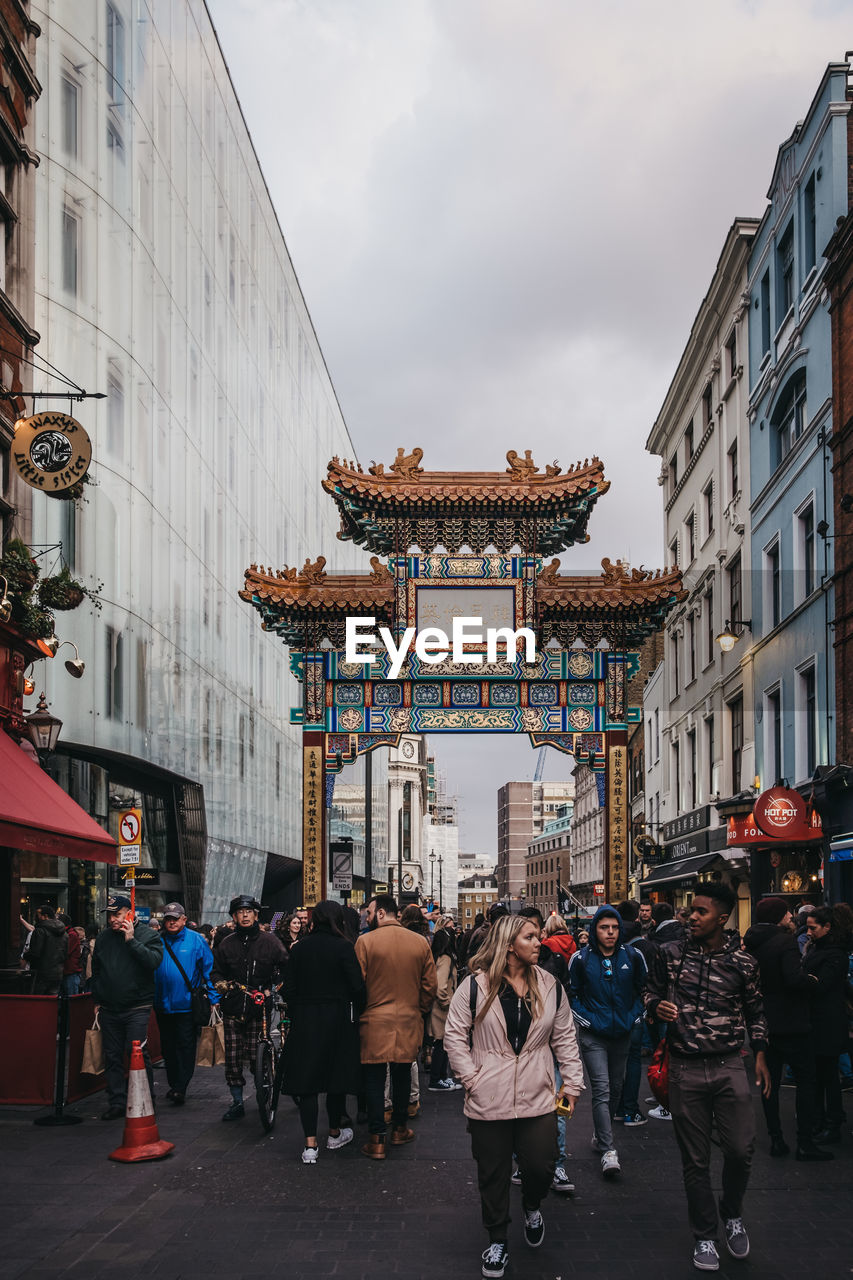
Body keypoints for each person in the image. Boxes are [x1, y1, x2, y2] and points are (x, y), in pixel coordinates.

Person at [445, 914, 584, 1279]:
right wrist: (472, 1079)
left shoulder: (550, 984)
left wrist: (572, 1082)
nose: (539, 943)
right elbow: (454, 1037)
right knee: (493, 1173)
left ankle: (533, 1204)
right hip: (488, 1098)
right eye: (530, 938)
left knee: (541, 1165)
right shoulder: (474, 987)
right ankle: (497, 1239)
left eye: (538, 937)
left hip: (538, 1095)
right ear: (509, 945)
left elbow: (565, 1036)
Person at [645, 882, 771, 1273]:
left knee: (740, 1150)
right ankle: (704, 1235)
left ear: (722, 917)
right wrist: (656, 1008)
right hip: (684, 1066)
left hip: (731, 1063)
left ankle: (731, 1213)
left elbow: (756, 1011)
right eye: (689, 910)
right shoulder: (669, 954)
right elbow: (648, 995)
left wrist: (762, 1055)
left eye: (700, 911)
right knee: (695, 1160)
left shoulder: (744, 962)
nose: (690, 917)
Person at [743, 897, 830, 1161]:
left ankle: (777, 1139)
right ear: (779, 917)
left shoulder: (751, 943)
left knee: (770, 1083)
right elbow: (793, 978)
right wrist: (811, 981)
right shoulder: (785, 942)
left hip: (763, 1022)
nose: (792, 918)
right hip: (792, 1022)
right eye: (788, 915)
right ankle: (805, 1142)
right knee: (806, 1080)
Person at [280, 899, 366, 1163]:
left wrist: (296, 1013)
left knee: (307, 1083)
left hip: (306, 1019)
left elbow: (289, 989)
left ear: (314, 920)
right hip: (338, 1019)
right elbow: (358, 988)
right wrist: (356, 1012)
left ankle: (309, 1146)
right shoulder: (344, 947)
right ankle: (334, 1132)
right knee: (334, 1079)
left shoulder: (300, 948)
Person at [354, 894, 437, 1159]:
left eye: (369, 912)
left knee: (375, 1079)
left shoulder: (365, 942)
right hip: (409, 1018)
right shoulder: (420, 943)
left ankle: (377, 1138)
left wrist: (365, 1009)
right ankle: (400, 1129)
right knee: (402, 1075)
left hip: (375, 1019)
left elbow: (358, 984)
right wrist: (419, 1010)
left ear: (380, 913)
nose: (367, 918)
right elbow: (430, 986)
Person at [568, 904, 647, 1177]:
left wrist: (636, 1016)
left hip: (623, 1033)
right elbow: (573, 995)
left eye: (614, 928)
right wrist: (587, 1020)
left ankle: (600, 1135)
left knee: (615, 1087)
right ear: (595, 930)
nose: (610, 933)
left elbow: (643, 990)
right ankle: (609, 1150)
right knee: (601, 1089)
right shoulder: (580, 959)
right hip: (594, 1036)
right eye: (604, 928)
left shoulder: (633, 956)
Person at [212, 894, 288, 1121]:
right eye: (240, 912)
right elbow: (216, 971)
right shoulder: (226, 943)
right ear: (234, 917)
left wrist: (271, 989)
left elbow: (285, 969)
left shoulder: (270, 941)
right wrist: (220, 984)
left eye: (249, 912)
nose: (244, 915)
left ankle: (264, 1091)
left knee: (257, 1058)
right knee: (233, 1060)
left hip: (259, 1009)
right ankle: (237, 1102)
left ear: (256, 915)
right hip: (233, 1008)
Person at [91, 894, 164, 1120]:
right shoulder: (103, 938)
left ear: (129, 914)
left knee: (138, 1053)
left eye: (117, 914)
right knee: (112, 1056)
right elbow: (97, 970)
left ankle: (146, 1098)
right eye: (110, 915)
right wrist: (97, 999)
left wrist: (132, 941)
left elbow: (153, 962)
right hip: (109, 1008)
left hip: (137, 1006)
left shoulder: (148, 935)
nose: (113, 919)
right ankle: (117, 1101)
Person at [516, 907, 574, 1192]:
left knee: (557, 1110)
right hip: (518, 1053)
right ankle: (523, 1162)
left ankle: (558, 1164)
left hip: (549, 1048)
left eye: (536, 931)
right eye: (527, 933)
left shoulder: (554, 963)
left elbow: (565, 1006)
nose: (536, 940)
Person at [154, 902, 219, 1105]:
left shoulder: (196, 940)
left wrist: (214, 998)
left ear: (184, 919)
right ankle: (175, 1084)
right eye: (168, 918)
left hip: (187, 1004)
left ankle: (180, 1087)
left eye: (175, 918)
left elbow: (209, 969)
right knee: (168, 1048)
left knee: (185, 1045)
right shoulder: (157, 940)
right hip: (162, 1004)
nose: (171, 922)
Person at [803, 905, 850, 1144]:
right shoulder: (820, 948)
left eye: (813, 928)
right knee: (821, 1075)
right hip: (819, 1020)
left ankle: (832, 1123)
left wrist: (806, 978)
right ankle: (823, 1120)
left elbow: (822, 985)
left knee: (828, 1075)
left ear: (827, 927)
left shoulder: (835, 954)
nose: (809, 932)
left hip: (828, 1021)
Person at [427, 927, 461, 1092]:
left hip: (439, 1008)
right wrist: (448, 1003)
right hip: (443, 1009)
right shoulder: (446, 959)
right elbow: (441, 986)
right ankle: (436, 1079)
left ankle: (441, 1077)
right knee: (442, 1043)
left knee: (442, 1043)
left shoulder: (438, 957)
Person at [27, 906, 68, 995]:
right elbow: (65, 954)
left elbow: (35, 953)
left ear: (45, 916)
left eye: (37, 915)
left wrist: (26, 956)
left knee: (38, 1002)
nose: (35, 917)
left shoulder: (40, 931)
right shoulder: (64, 933)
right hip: (57, 973)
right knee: (52, 1002)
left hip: (41, 973)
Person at [58, 913, 82, 996]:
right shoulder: (67, 933)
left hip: (70, 971)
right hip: (65, 971)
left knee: (71, 1000)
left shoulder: (71, 935)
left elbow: (66, 951)